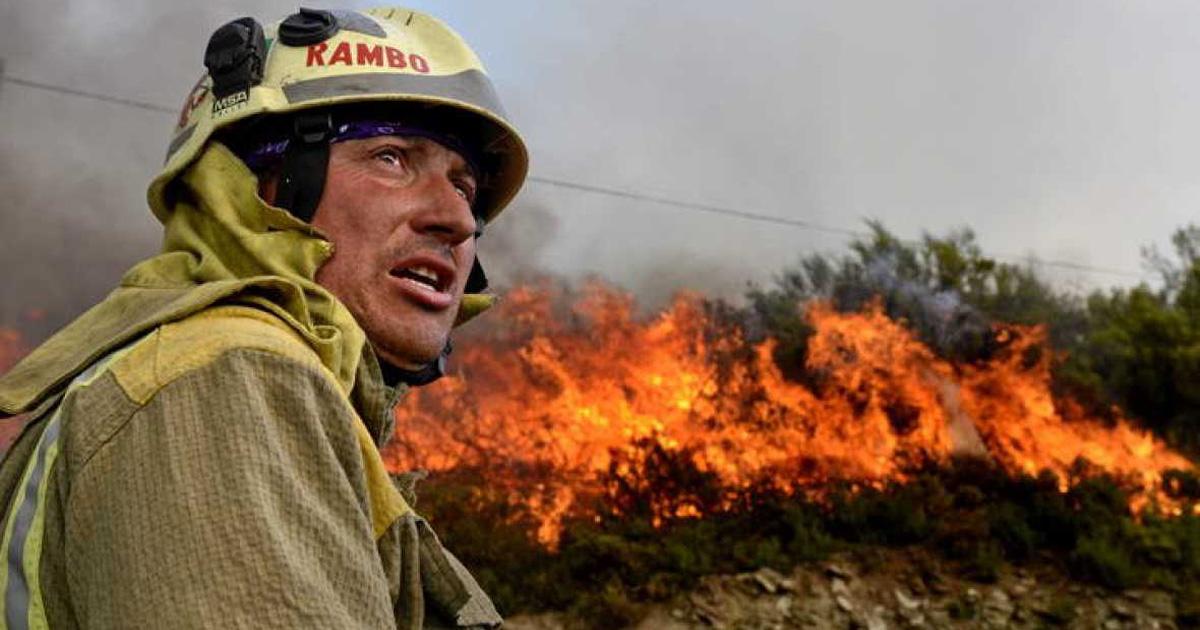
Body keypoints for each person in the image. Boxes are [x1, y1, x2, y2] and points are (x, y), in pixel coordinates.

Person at [0, 6, 526, 629]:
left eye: (465, 186)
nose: (459, 220)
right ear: (260, 185)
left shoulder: (240, 385)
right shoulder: (226, 376)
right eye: (392, 157)